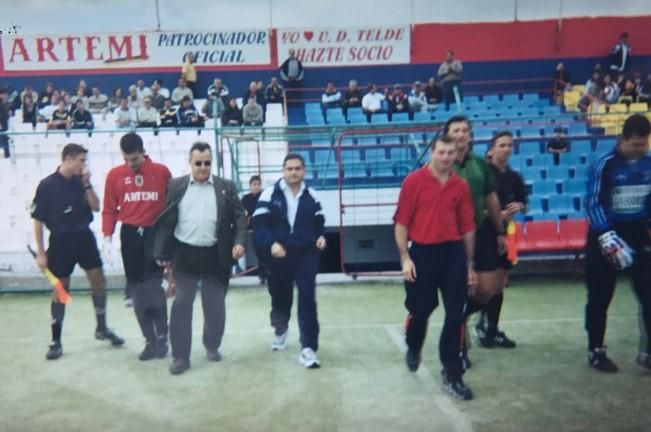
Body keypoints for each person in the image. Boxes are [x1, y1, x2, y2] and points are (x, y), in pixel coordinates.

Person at [153, 142, 247, 375]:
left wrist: (239, 242)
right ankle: (180, 357)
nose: (203, 167)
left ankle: (212, 344)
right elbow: (166, 221)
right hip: (185, 255)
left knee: (214, 305)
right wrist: (161, 253)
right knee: (182, 305)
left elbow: (240, 217)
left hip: (216, 255)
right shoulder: (176, 186)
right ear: (190, 163)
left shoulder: (226, 186)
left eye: (207, 163)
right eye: (198, 163)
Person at [394, 134, 476, 400]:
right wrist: (405, 257)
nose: (446, 157)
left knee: (455, 315)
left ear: (456, 154)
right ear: (432, 152)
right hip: (422, 254)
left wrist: (470, 264)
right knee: (421, 310)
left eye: (451, 153)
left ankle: (452, 374)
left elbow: (467, 228)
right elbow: (401, 224)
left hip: (452, 255)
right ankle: (413, 346)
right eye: (441, 152)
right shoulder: (413, 181)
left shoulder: (460, 186)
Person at [31, 143, 124, 360]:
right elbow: (38, 221)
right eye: (81, 160)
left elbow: (95, 206)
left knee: (98, 280)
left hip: (84, 237)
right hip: (61, 241)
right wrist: (41, 253)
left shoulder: (80, 182)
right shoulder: (47, 185)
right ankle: (56, 341)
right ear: (69, 159)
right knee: (61, 291)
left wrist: (86, 184)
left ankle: (101, 328)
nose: (84, 165)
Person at [584, 114, 651, 373]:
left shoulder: (648, 165)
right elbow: (592, 202)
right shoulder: (604, 165)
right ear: (621, 139)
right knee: (600, 296)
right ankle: (596, 350)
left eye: (643, 144)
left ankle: (647, 353)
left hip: (638, 234)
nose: (639, 149)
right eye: (635, 144)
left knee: (648, 294)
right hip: (606, 236)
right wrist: (607, 236)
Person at [102, 133, 172, 360]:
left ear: (143, 152)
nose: (130, 164)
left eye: (134, 159)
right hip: (130, 234)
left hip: (155, 233)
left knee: (154, 288)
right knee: (137, 290)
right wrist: (106, 236)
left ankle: (162, 336)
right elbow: (110, 208)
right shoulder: (114, 176)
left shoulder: (161, 172)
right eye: (126, 160)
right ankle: (149, 340)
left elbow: (171, 206)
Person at [253, 154, 327, 368]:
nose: (293, 172)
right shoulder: (269, 193)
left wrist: (321, 236)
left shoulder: (312, 195)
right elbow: (259, 226)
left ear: (304, 171)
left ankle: (308, 348)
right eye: (289, 169)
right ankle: (280, 328)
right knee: (280, 298)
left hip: (306, 254)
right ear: (283, 170)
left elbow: (319, 222)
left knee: (307, 298)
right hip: (279, 254)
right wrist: (271, 244)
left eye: (297, 168)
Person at [445, 115, 507, 370]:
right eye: (455, 130)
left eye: (464, 130)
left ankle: (463, 318)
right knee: (457, 291)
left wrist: (500, 230)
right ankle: (459, 347)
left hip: (480, 232)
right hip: (451, 236)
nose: (461, 134)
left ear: (470, 136)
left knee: (489, 287)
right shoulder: (441, 165)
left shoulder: (481, 165)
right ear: (447, 135)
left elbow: (491, 198)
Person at [476, 132, 527, 348]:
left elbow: (523, 202)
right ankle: (472, 321)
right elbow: (474, 208)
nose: (506, 149)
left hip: (508, 233)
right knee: (486, 286)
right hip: (485, 235)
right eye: (502, 145)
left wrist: (519, 207)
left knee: (500, 284)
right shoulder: (483, 175)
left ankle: (492, 328)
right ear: (492, 149)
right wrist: (496, 215)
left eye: (509, 145)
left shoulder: (514, 176)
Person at [241, 175, 265, 284]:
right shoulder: (246, 198)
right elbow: (240, 212)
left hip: (264, 228)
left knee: (264, 252)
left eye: (258, 184)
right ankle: (261, 275)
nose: (256, 186)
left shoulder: (265, 196)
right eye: (254, 184)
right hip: (251, 229)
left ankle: (264, 274)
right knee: (257, 252)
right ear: (250, 186)